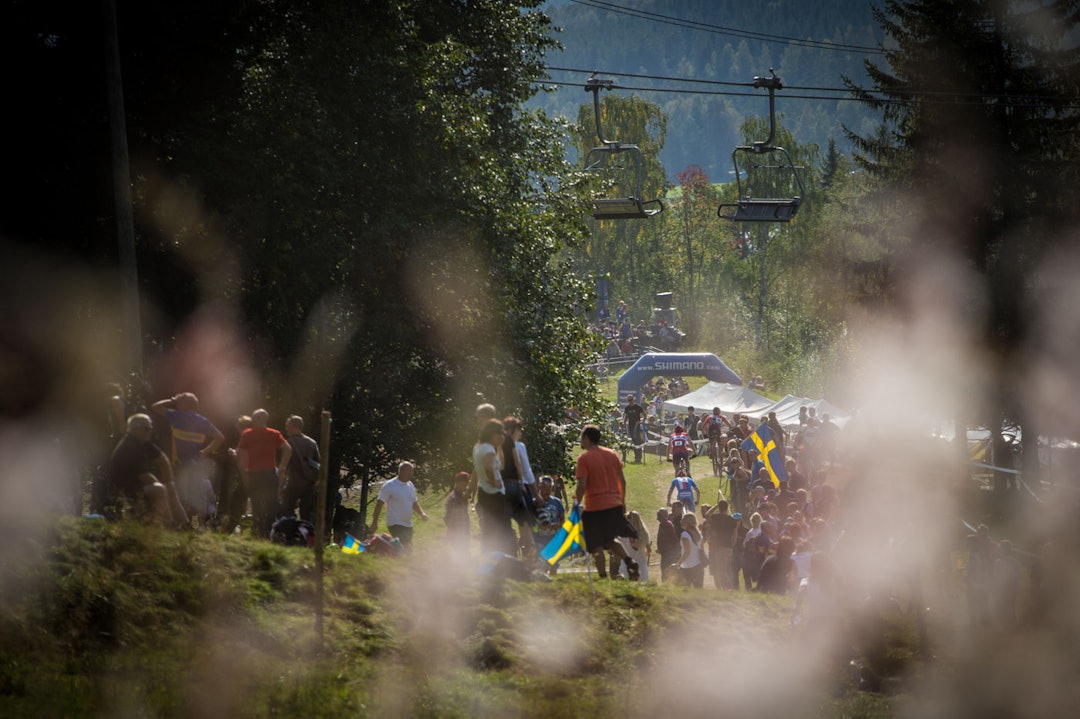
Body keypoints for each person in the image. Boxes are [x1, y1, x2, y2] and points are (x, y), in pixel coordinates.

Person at [574, 425, 639, 580]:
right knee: (610, 540)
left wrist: (576, 504)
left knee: (595, 545)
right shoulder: (612, 454)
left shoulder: (584, 459)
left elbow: (582, 485)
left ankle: (603, 577)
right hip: (614, 505)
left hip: (595, 507)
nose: (580, 440)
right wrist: (622, 501)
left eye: (581, 437)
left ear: (587, 439)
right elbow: (622, 480)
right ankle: (630, 562)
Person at [151, 392, 225, 525]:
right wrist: (205, 452)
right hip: (197, 463)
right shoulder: (202, 420)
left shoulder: (177, 416)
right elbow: (220, 437)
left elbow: (155, 407)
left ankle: (183, 525)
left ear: (183, 404)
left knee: (180, 495)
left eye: (180, 402)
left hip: (179, 463)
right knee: (197, 496)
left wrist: (172, 399)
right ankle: (198, 526)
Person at [107, 413, 188, 527]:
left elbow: (162, 459)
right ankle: (168, 523)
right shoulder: (130, 447)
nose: (149, 432)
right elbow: (145, 476)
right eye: (146, 429)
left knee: (169, 489)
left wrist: (170, 484)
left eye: (150, 429)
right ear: (135, 429)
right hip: (125, 490)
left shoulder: (142, 442)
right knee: (159, 489)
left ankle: (186, 526)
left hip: (136, 487)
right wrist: (164, 488)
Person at [236, 409, 292, 538]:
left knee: (256, 503)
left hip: (254, 474)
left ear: (253, 420)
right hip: (269, 473)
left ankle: (258, 530)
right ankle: (269, 533)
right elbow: (287, 449)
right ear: (266, 420)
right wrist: (282, 466)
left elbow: (240, 454)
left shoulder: (247, 434)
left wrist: (244, 472)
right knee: (271, 503)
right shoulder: (273, 433)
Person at [474, 418, 514, 555]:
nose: (501, 437)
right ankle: (494, 557)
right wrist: (494, 482)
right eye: (499, 434)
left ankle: (491, 556)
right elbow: (487, 467)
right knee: (496, 527)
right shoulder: (487, 448)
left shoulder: (483, 447)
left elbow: (501, 465)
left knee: (490, 527)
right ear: (491, 433)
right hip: (492, 493)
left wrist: (499, 447)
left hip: (487, 492)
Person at [501, 417, 537, 562]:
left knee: (509, 522)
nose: (521, 433)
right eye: (519, 430)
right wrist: (536, 494)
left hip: (504, 486)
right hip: (522, 486)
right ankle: (529, 556)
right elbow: (525, 470)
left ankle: (517, 554)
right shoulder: (518, 446)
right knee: (527, 523)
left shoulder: (496, 446)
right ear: (511, 430)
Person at [370, 461, 429, 549]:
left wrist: (422, 514)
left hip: (408, 524)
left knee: (406, 548)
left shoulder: (410, 485)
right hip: (395, 523)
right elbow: (379, 504)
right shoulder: (389, 486)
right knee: (405, 546)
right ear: (401, 471)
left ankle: (394, 559)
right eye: (409, 472)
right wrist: (374, 523)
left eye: (412, 472)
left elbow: (414, 503)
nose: (411, 475)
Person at [280, 415, 320, 524]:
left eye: (288, 426)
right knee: (307, 514)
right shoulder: (312, 442)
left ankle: (290, 533)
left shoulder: (288, 443)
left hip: (293, 482)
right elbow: (318, 464)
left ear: (294, 426)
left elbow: (284, 464)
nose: (286, 428)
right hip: (309, 483)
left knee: (287, 510)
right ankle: (305, 535)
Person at [533, 476, 566, 574]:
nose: (545, 491)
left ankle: (554, 585)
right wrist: (539, 526)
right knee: (541, 564)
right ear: (539, 487)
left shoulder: (556, 502)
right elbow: (530, 521)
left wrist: (557, 525)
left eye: (548, 488)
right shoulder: (534, 502)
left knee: (554, 564)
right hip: (539, 538)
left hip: (553, 538)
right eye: (543, 487)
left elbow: (563, 520)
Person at [704, 500, 738, 590]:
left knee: (721, 570)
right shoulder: (731, 519)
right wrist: (732, 545)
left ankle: (729, 588)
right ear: (727, 508)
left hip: (720, 547)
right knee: (729, 569)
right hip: (729, 547)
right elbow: (735, 534)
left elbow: (707, 514)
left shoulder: (716, 517)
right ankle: (732, 588)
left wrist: (715, 505)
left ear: (719, 508)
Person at [616, 510, 651, 582]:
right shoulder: (645, 534)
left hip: (627, 565)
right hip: (642, 565)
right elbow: (648, 551)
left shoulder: (623, 534)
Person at [444, 471, 472, 553]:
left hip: (464, 532)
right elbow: (448, 518)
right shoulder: (454, 498)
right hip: (458, 534)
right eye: (465, 484)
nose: (466, 487)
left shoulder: (462, 496)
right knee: (460, 554)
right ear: (458, 483)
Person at [677, 512, 706, 588]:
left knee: (687, 591)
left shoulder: (684, 535)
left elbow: (687, 552)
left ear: (688, 522)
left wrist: (678, 564)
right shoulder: (699, 534)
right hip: (699, 565)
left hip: (687, 567)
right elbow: (702, 549)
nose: (681, 521)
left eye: (683, 520)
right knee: (699, 590)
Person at [655, 507, 679, 583]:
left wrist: (676, 553)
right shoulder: (662, 524)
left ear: (664, 515)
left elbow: (674, 539)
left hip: (669, 553)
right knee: (664, 570)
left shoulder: (668, 524)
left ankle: (667, 585)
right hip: (665, 553)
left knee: (666, 570)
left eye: (659, 515)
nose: (658, 516)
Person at [623, 394, 645, 464]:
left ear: (633, 400)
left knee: (638, 442)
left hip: (637, 427)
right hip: (630, 427)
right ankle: (636, 457)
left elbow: (645, 415)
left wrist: (641, 421)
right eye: (629, 400)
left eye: (631, 400)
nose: (630, 401)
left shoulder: (638, 407)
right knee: (634, 442)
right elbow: (626, 417)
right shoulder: (627, 408)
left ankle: (638, 458)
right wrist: (624, 422)